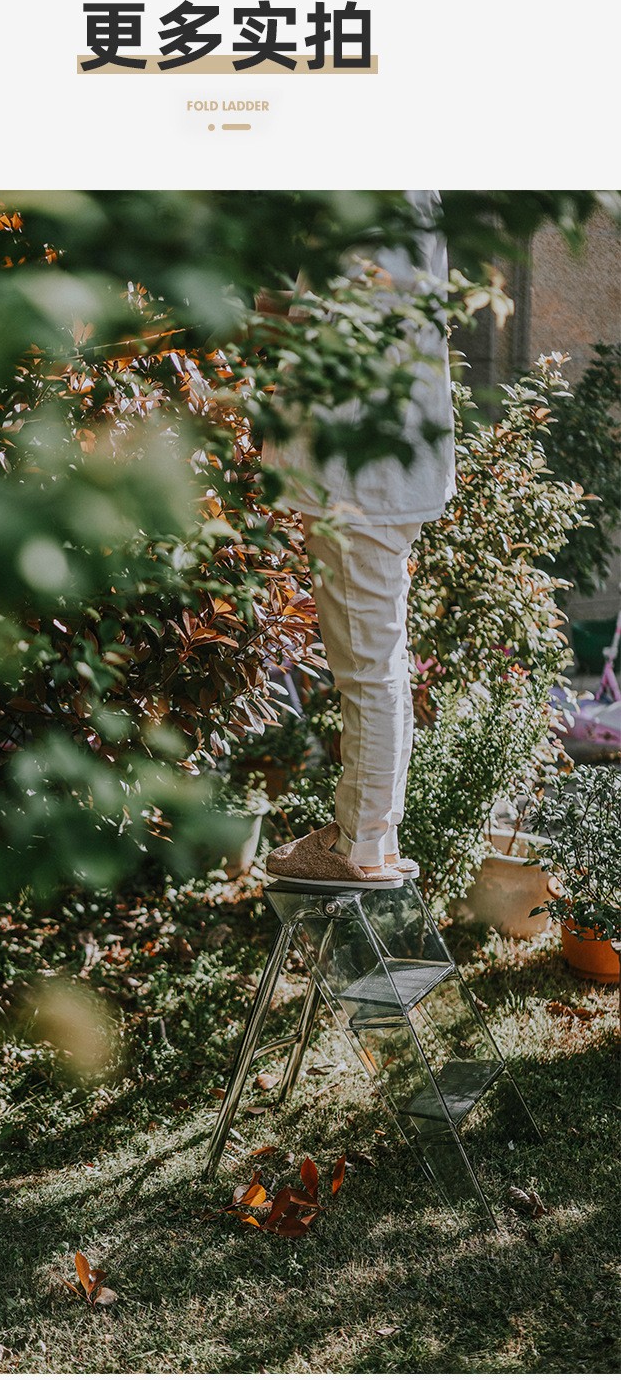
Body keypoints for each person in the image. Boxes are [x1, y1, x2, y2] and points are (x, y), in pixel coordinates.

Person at [263, 191, 455, 889]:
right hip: (381, 472)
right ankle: (373, 835)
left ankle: (360, 845)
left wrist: (277, 312)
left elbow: (352, 329)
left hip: (360, 476)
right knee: (380, 659)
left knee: (368, 667)